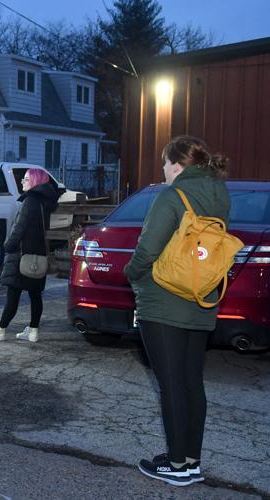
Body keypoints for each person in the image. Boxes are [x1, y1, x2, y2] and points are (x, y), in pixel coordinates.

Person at [124, 136, 230, 486]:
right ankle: (190, 460)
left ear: (178, 165)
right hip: (201, 296)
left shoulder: (172, 196)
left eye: (165, 164)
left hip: (164, 299)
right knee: (190, 382)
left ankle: (175, 466)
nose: (163, 171)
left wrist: (132, 274)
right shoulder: (220, 194)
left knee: (170, 385)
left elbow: (148, 248)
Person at [0, 168, 59, 342]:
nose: (22, 182)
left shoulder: (30, 200)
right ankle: (33, 331)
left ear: (35, 181)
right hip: (37, 254)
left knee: (13, 294)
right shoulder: (44, 202)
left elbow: (19, 227)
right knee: (35, 294)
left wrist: (8, 245)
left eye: (25, 179)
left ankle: (0, 329)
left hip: (22, 253)